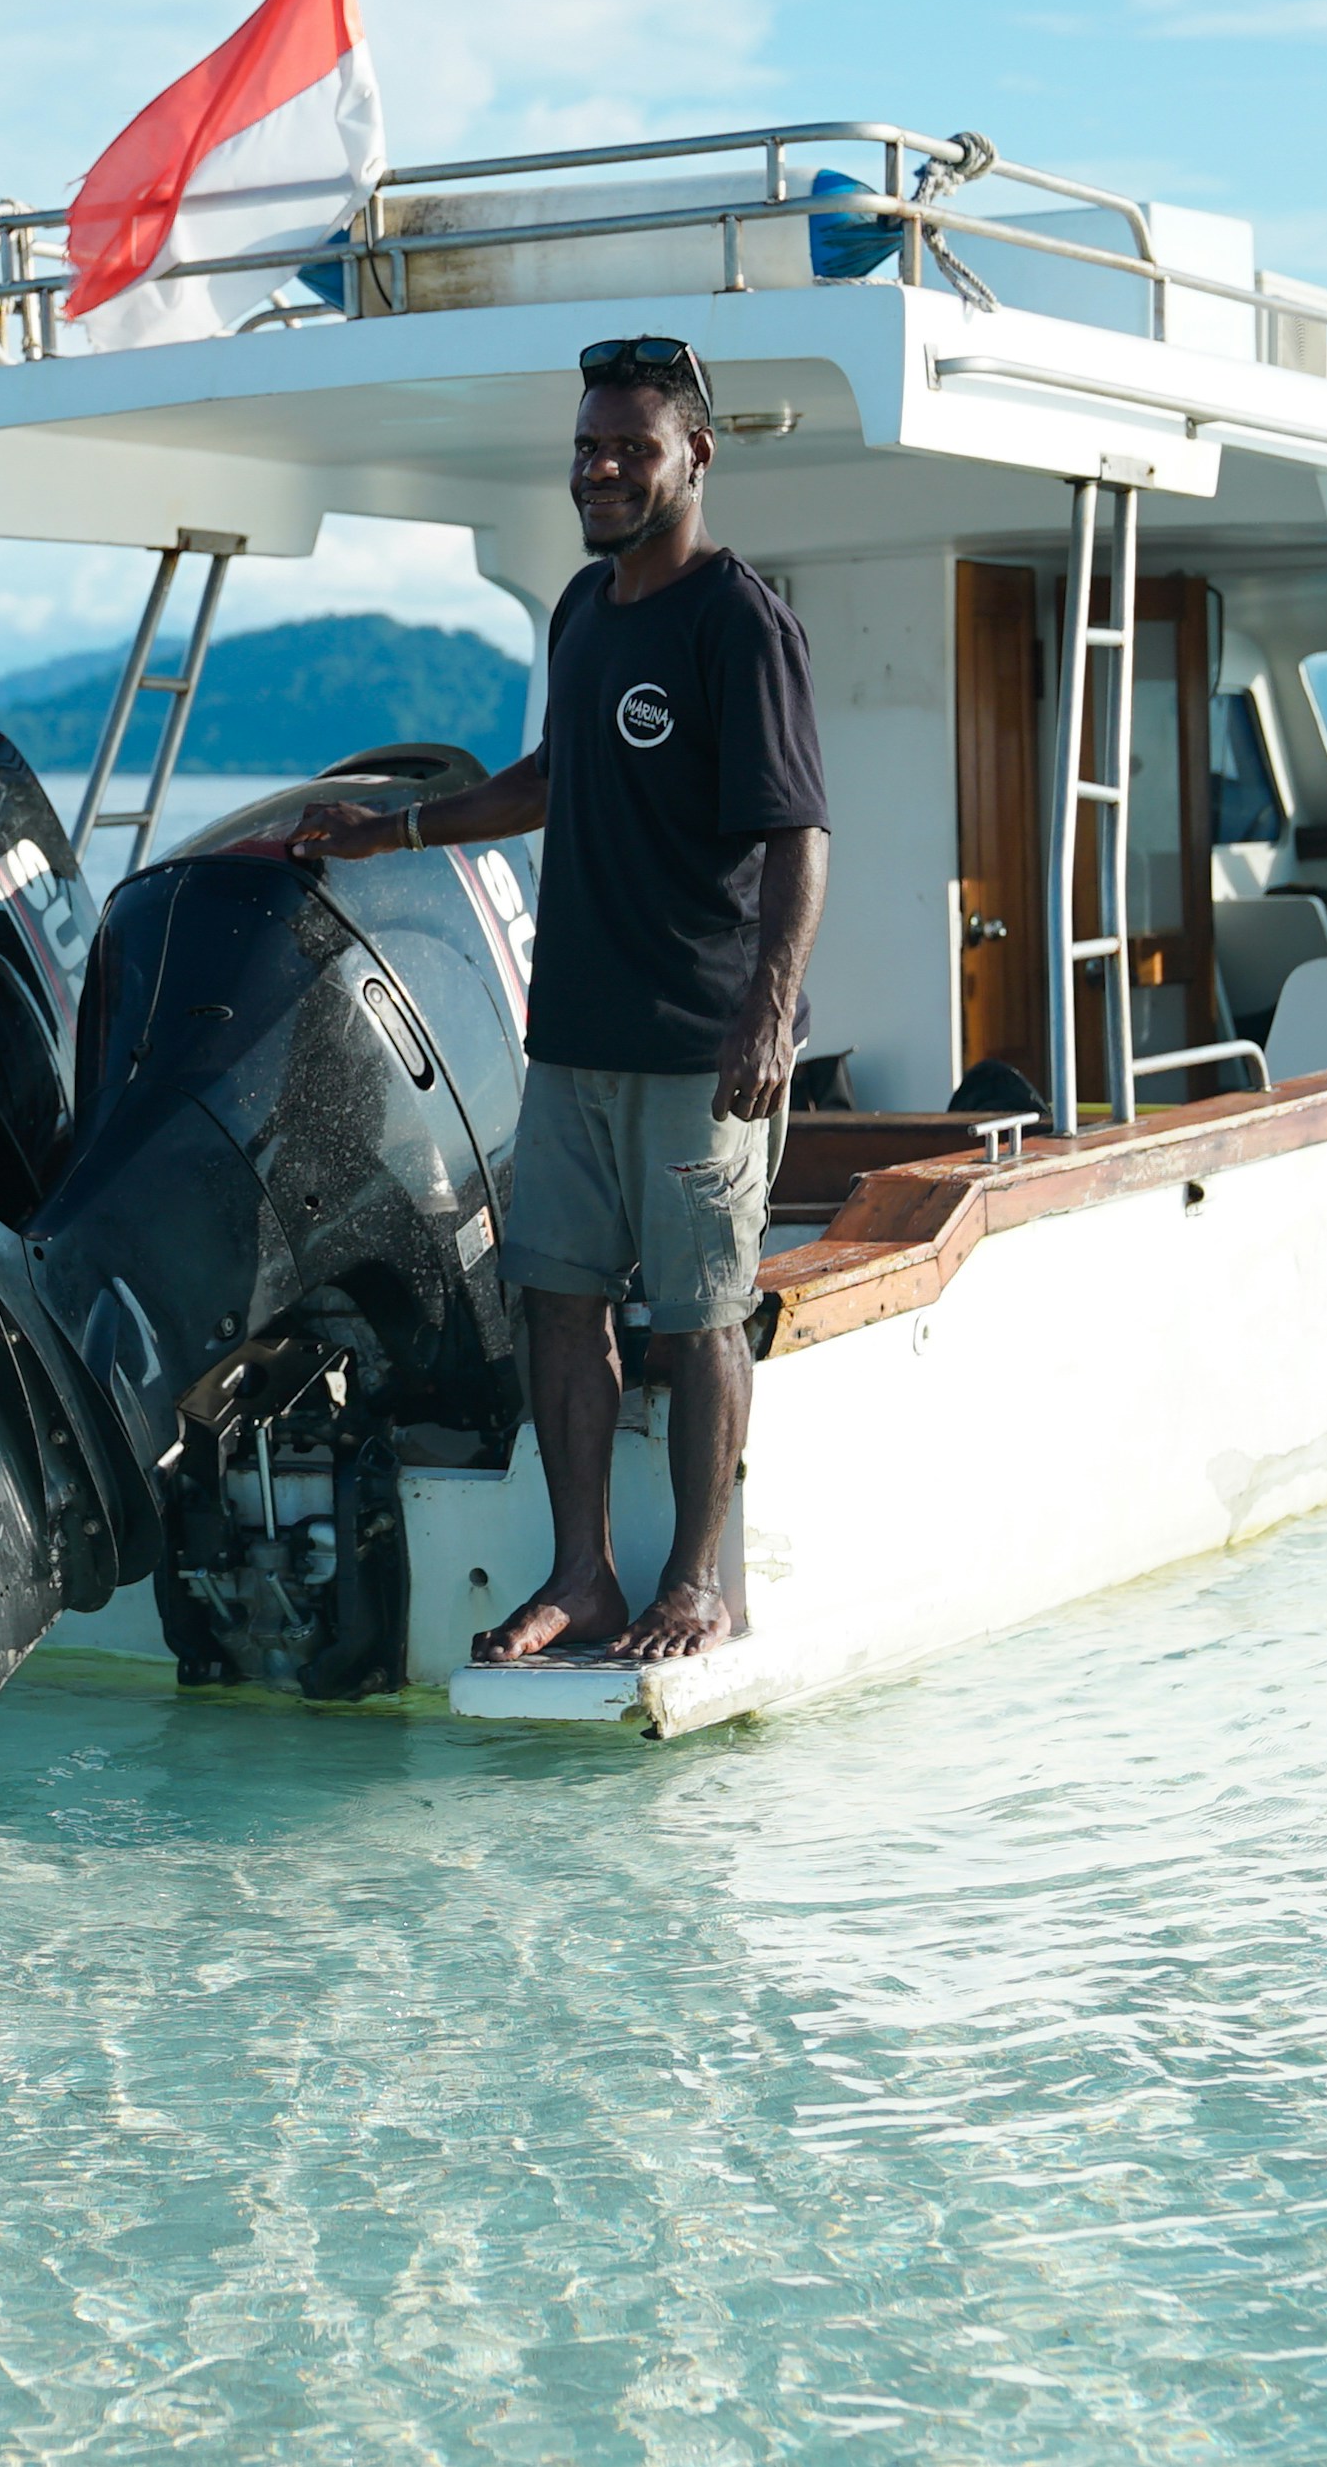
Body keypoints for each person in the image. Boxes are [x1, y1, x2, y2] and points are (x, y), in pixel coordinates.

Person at [290, 336, 826, 1664]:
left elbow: (796, 832)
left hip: (698, 1047)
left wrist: (768, 1014)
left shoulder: (736, 620)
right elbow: (546, 777)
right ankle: (580, 1574)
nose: (596, 468)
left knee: (699, 1311)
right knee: (557, 1302)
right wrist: (390, 833)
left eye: (627, 448)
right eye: (585, 446)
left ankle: (691, 1587)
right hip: (572, 1035)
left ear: (692, 457)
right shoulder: (582, 614)